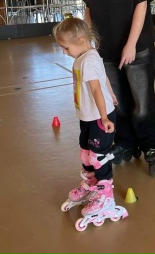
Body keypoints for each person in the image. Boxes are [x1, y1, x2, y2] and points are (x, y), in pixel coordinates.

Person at [76, 0, 155, 176]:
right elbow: (89, 6)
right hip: (107, 49)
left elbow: (141, 3)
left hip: (136, 46)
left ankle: (150, 144)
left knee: (141, 100)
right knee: (117, 101)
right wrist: (89, 40)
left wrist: (131, 44)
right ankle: (125, 142)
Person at [55, 16, 128, 227]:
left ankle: (105, 197)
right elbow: (104, 78)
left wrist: (104, 116)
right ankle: (91, 184)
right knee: (86, 152)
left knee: (98, 156)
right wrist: (111, 93)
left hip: (98, 117)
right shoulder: (86, 56)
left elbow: (96, 89)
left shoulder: (87, 60)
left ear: (81, 40)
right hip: (87, 115)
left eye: (66, 47)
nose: (64, 52)